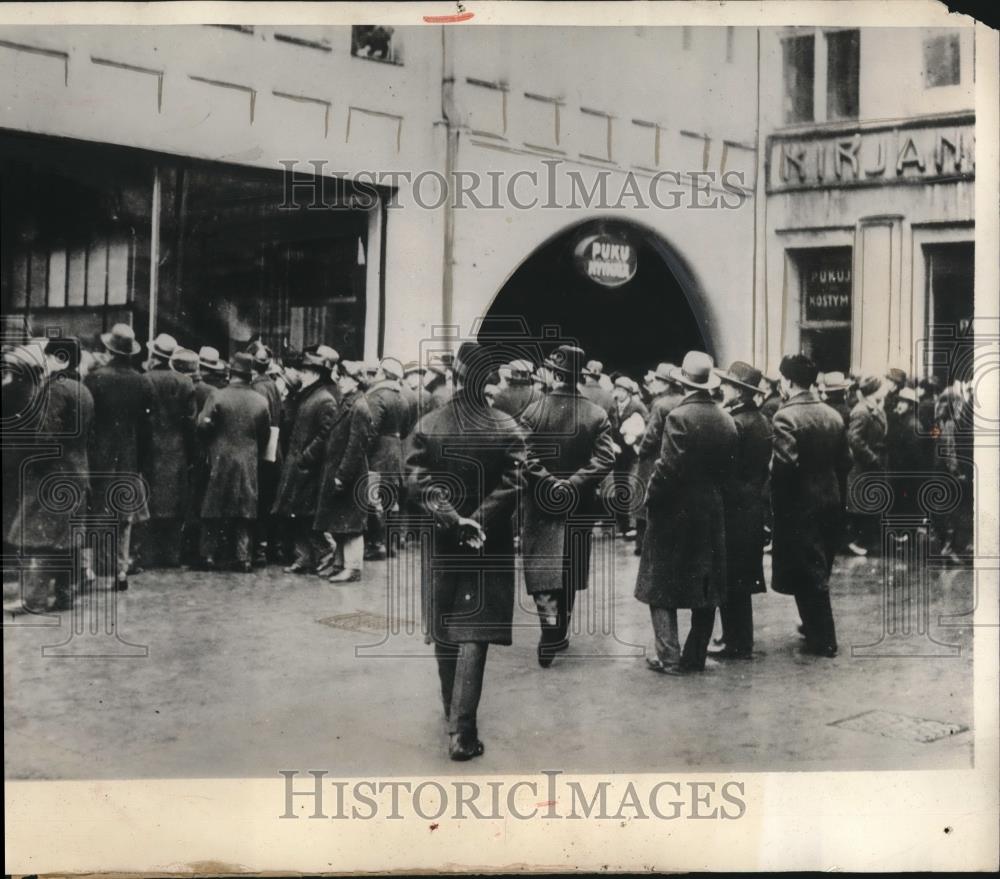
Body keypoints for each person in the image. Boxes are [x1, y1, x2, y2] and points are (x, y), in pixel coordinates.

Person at [404, 341, 527, 761]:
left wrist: (453, 519)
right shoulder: (506, 427)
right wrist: (479, 519)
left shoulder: (429, 424)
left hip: (442, 541)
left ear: (456, 377)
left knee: (445, 627)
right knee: (475, 632)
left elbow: (416, 481)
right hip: (487, 546)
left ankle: (450, 715)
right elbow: (515, 482)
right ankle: (462, 731)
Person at [635, 351, 737, 676]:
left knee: (659, 585)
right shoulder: (726, 418)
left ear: (683, 381)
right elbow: (729, 471)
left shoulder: (679, 417)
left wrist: (650, 499)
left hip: (675, 511)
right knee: (706, 588)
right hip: (711, 510)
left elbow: (667, 468)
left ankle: (669, 658)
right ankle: (695, 656)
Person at [520, 345, 616, 667]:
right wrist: (573, 483)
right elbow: (606, 458)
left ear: (556, 374)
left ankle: (549, 626)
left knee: (543, 566)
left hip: (540, 502)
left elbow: (524, 456)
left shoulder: (533, 411)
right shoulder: (595, 414)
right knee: (570, 567)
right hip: (579, 503)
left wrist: (549, 481)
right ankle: (559, 630)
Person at [770, 354, 851, 657]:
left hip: (798, 507)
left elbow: (785, 468)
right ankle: (812, 629)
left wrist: (777, 504)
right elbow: (846, 462)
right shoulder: (832, 415)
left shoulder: (784, 417)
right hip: (830, 501)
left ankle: (824, 639)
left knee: (810, 573)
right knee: (817, 568)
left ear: (788, 382)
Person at [8, 338, 94, 612]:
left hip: (51, 475)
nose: (44, 362)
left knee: (39, 539)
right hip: (77, 471)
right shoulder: (82, 390)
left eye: (49, 356)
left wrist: (32, 463)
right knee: (66, 540)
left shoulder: (54, 390)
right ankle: (65, 595)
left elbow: (47, 437)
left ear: (62, 360)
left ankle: (33, 599)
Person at [84, 323, 155, 591]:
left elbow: (88, 422)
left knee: (95, 514)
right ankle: (121, 571)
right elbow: (147, 429)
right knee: (124, 516)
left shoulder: (95, 378)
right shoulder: (142, 382)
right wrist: (143, 463)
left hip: (98, 457)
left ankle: (90, 569)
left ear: (109, 348)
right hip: (129, 457)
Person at [710, 361, 771, 660]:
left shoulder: (736, 423)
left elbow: (724, 468)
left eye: (729, 385)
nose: (723, 388)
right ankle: (737, 639)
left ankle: (735, 642)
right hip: (750, 507)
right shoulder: (758, 420)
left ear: (740, 391)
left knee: (730, 578)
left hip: (732, 508)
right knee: (740, 580)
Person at [197, 352, 271, 572]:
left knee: (213, 507)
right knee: (245, 511)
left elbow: (202, 426)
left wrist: (212, 440)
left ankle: (208, 556)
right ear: (250, 376)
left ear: (231, 373)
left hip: (220, 457)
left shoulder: (217, 396)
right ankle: (243, 557)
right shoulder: (261, 401)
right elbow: (265, 434)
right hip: (248, 459)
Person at [273, 350, 338, 574]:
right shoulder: (309, 395)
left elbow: (326, 434)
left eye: (304, 371)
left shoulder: (324, 399)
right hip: (299, 465)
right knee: (296, 513)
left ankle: (326, 553)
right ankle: (304, 558)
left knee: (305, 515)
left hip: (308, 468)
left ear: (314, 373)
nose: (301, 374)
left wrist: (307, 457)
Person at [314, 360, 374, 583]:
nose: (340, 381)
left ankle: (353, 567)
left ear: (356, 381)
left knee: (352, 525)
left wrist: (342, 475)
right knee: (340, 521)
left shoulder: (359, 407)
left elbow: (355, 446)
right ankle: (340, 564)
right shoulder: (348, 402)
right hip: (341, 471)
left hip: (351, 474)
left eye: (344, 377)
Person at [143, 335, 197, 568]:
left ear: (154, 356)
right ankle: (172, 556)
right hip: (177, 450)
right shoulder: (185, 382)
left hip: (150, 450)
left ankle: (149, 555)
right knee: (175, 507)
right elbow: (190, 422)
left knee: (150, 503)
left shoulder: (144, 380)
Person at [634, 363, 683, 556]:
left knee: (645, 502)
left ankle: (643, 545)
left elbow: (651, 435)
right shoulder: (682, 400)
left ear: (665, 383)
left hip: (653, 458)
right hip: (672, 458)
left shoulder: (660, 404)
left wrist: (641, 450)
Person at [365, 357, 410, 560]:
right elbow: (406, 428)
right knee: (391, 499)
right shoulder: (402, 398)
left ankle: (377, 543)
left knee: (373, 498)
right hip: (396, 451)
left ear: (383, 374)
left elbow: (370, 429)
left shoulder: (377, 397)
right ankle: (391, 544)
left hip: (379, 454)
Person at [248, 344, 283, 566]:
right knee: (269, 500)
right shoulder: (273, 386)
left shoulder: (257, 388)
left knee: (259, 501)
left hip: (263, 451)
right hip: (275, 449)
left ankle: (260, 549)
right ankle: (271, 547)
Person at [846, 375, 887, 557]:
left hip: (873, 464)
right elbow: (854, 439)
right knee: (861, 505)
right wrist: (871, 457)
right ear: (874, 390)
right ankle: (855, 541)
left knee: (869, 503)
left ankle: (866, 541)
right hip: (864, 466)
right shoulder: (861, 411)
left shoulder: (875, 408)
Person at [608, 375, 648, 538]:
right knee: (619, 486)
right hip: (617, 452)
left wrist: (635, 438)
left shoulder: (637, 406)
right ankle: (622, 524)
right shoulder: (613, 406)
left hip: (633, 452)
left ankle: (631, 525)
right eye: (616, 389)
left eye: (621, 390)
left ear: (628, 392)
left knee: (632, 484)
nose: (618, 392)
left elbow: (647, 425)